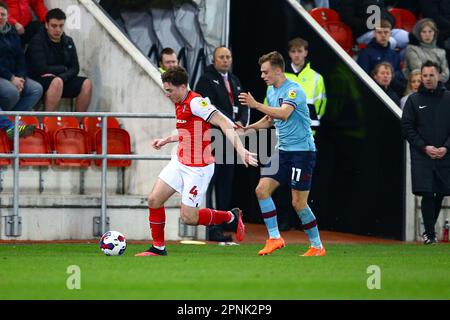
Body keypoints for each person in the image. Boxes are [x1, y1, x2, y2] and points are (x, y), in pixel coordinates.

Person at [135, 66, 258, 257]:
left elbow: (224, 122)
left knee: (189, 218)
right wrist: (167, 140)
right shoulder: (179, 101)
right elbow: (188, 129)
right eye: (165, 90)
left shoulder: (196, 103)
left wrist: (241, 151)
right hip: (180, 161)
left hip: (198, 168)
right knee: (154, 200)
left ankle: (230, 216)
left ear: (183, 86)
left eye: (170, 90)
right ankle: (158, 248)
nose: (167, 94)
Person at [238, 51, 326, 257]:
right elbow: (270, 119)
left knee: (298, 203)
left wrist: (255, 105)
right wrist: (247, 129)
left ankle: (317, 246)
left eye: (265, 71)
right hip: (283, 151)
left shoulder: (294, 90)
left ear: (278, 70)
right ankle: (275, 238)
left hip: (302, 153)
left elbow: (284, 114)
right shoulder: (271, 90)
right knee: (261, 190)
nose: (262, 76)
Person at [195, 46, 250, 242]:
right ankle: (211, 227)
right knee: (211, 183)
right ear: (214, 59)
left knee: (226, 183)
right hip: (214, 138)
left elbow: (243, 105)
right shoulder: (206, 80)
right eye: (222, 57)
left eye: (228, 56)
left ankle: (221, 224)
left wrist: (242, 122)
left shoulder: (234, 80)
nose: (226, 60)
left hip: (231, 140)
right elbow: (210, 108)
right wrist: (231, 122)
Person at [401, 60, 450, 244]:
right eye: (425, 75)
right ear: (421, 77)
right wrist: (424, 147)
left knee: (441, 192)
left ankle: (429, 232)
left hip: (445, 155)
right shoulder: (413, 100)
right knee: (427, 193)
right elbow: (406, 127)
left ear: (439, 75)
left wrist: (446, 147)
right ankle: (429, 234)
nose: (428, 79)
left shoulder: (448, 98)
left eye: (431, 75)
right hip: (422, 155)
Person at [26, 8, 92, 112]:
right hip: (39, 79)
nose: (58, 30)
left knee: (87, 83)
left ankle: (78, 123)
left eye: (61, 26)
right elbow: (41, 68)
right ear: (46, 25)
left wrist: (62, 76)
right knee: (57, 83)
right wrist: (63, 69)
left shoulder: (68, 41)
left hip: (61, 78)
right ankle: (48, 120)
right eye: (54, 26)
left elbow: (75, 67)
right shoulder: (37, 41)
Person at [0, 1, 41, 139]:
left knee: (36, 89)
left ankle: (12, 124)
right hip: (4, 75)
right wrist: (12, 78)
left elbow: (20, 58)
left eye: (3, 14)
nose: (0, 17)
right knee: (11, 93)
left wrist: (20, 77)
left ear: (7, 16)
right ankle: (11, 126)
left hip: (13, 75)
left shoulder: (12, 33)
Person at [357, 19, 405, 96]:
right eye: (379, 32)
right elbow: (362, 78)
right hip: (373, 94)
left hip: (392, 94)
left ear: (390, 34)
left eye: (386, 32)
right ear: (374, 34)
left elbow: (399, 77)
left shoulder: (394, 54)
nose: (383, 35)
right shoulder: (365, 54)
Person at [338, 0, 409, 50]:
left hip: (385, 28)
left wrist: (389, 22)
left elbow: (384, 12)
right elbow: (347, 19)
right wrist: (369, 24)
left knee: (408, 38)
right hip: (364, 33)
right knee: (391, 42)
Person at [403, 19, 449, 85]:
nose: (427, 35)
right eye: (424, 32)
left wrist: (434, 80)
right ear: (419, 34)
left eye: (430, 31)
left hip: (438, 85)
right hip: (416, 85)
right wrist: (434, 78)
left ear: (434, 33)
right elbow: (418, 70)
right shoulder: (412, 49)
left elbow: (446, 74)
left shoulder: (441, 51)